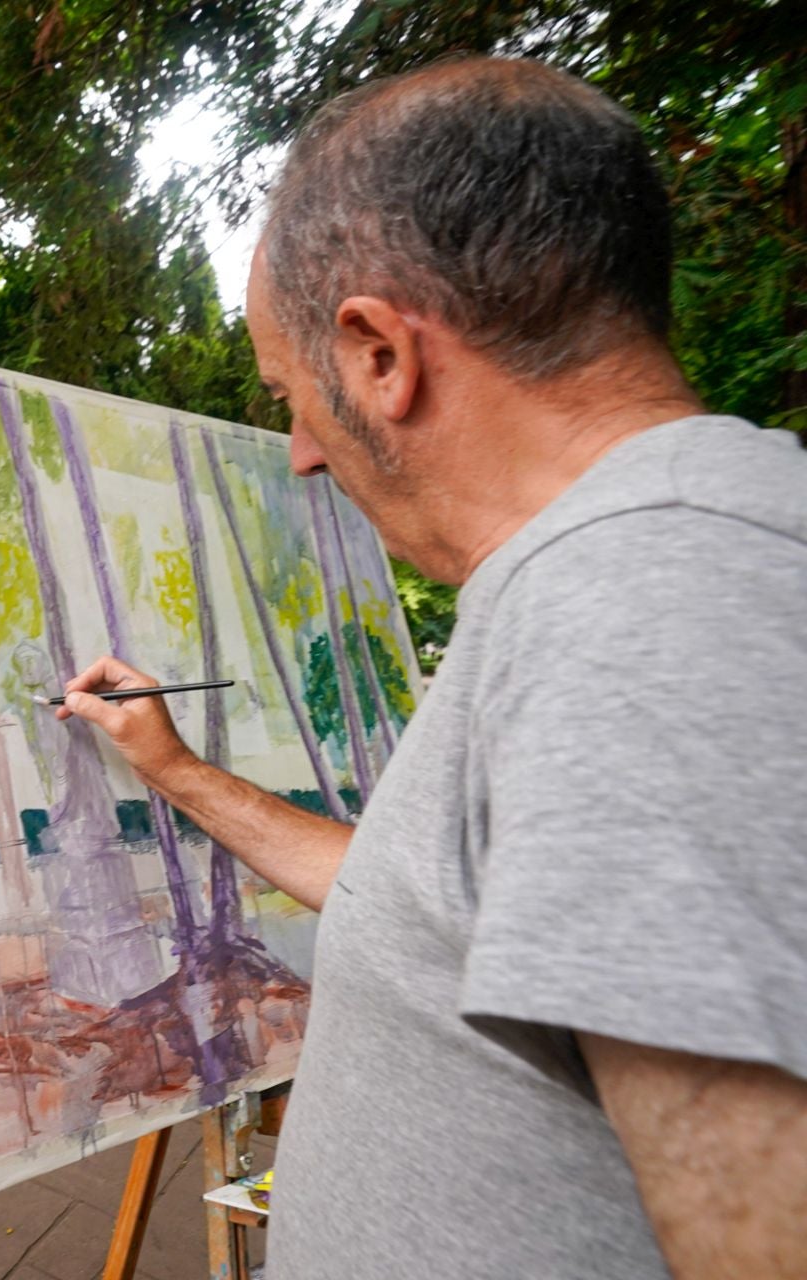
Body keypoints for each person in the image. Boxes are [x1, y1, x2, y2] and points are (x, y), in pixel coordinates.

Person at [59, 58, 807, 1278]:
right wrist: (179, 770)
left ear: (376, 357)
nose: (300, 453)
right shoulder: (603, 586)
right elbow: (442, 909)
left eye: (289, 397)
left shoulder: (657, 603)